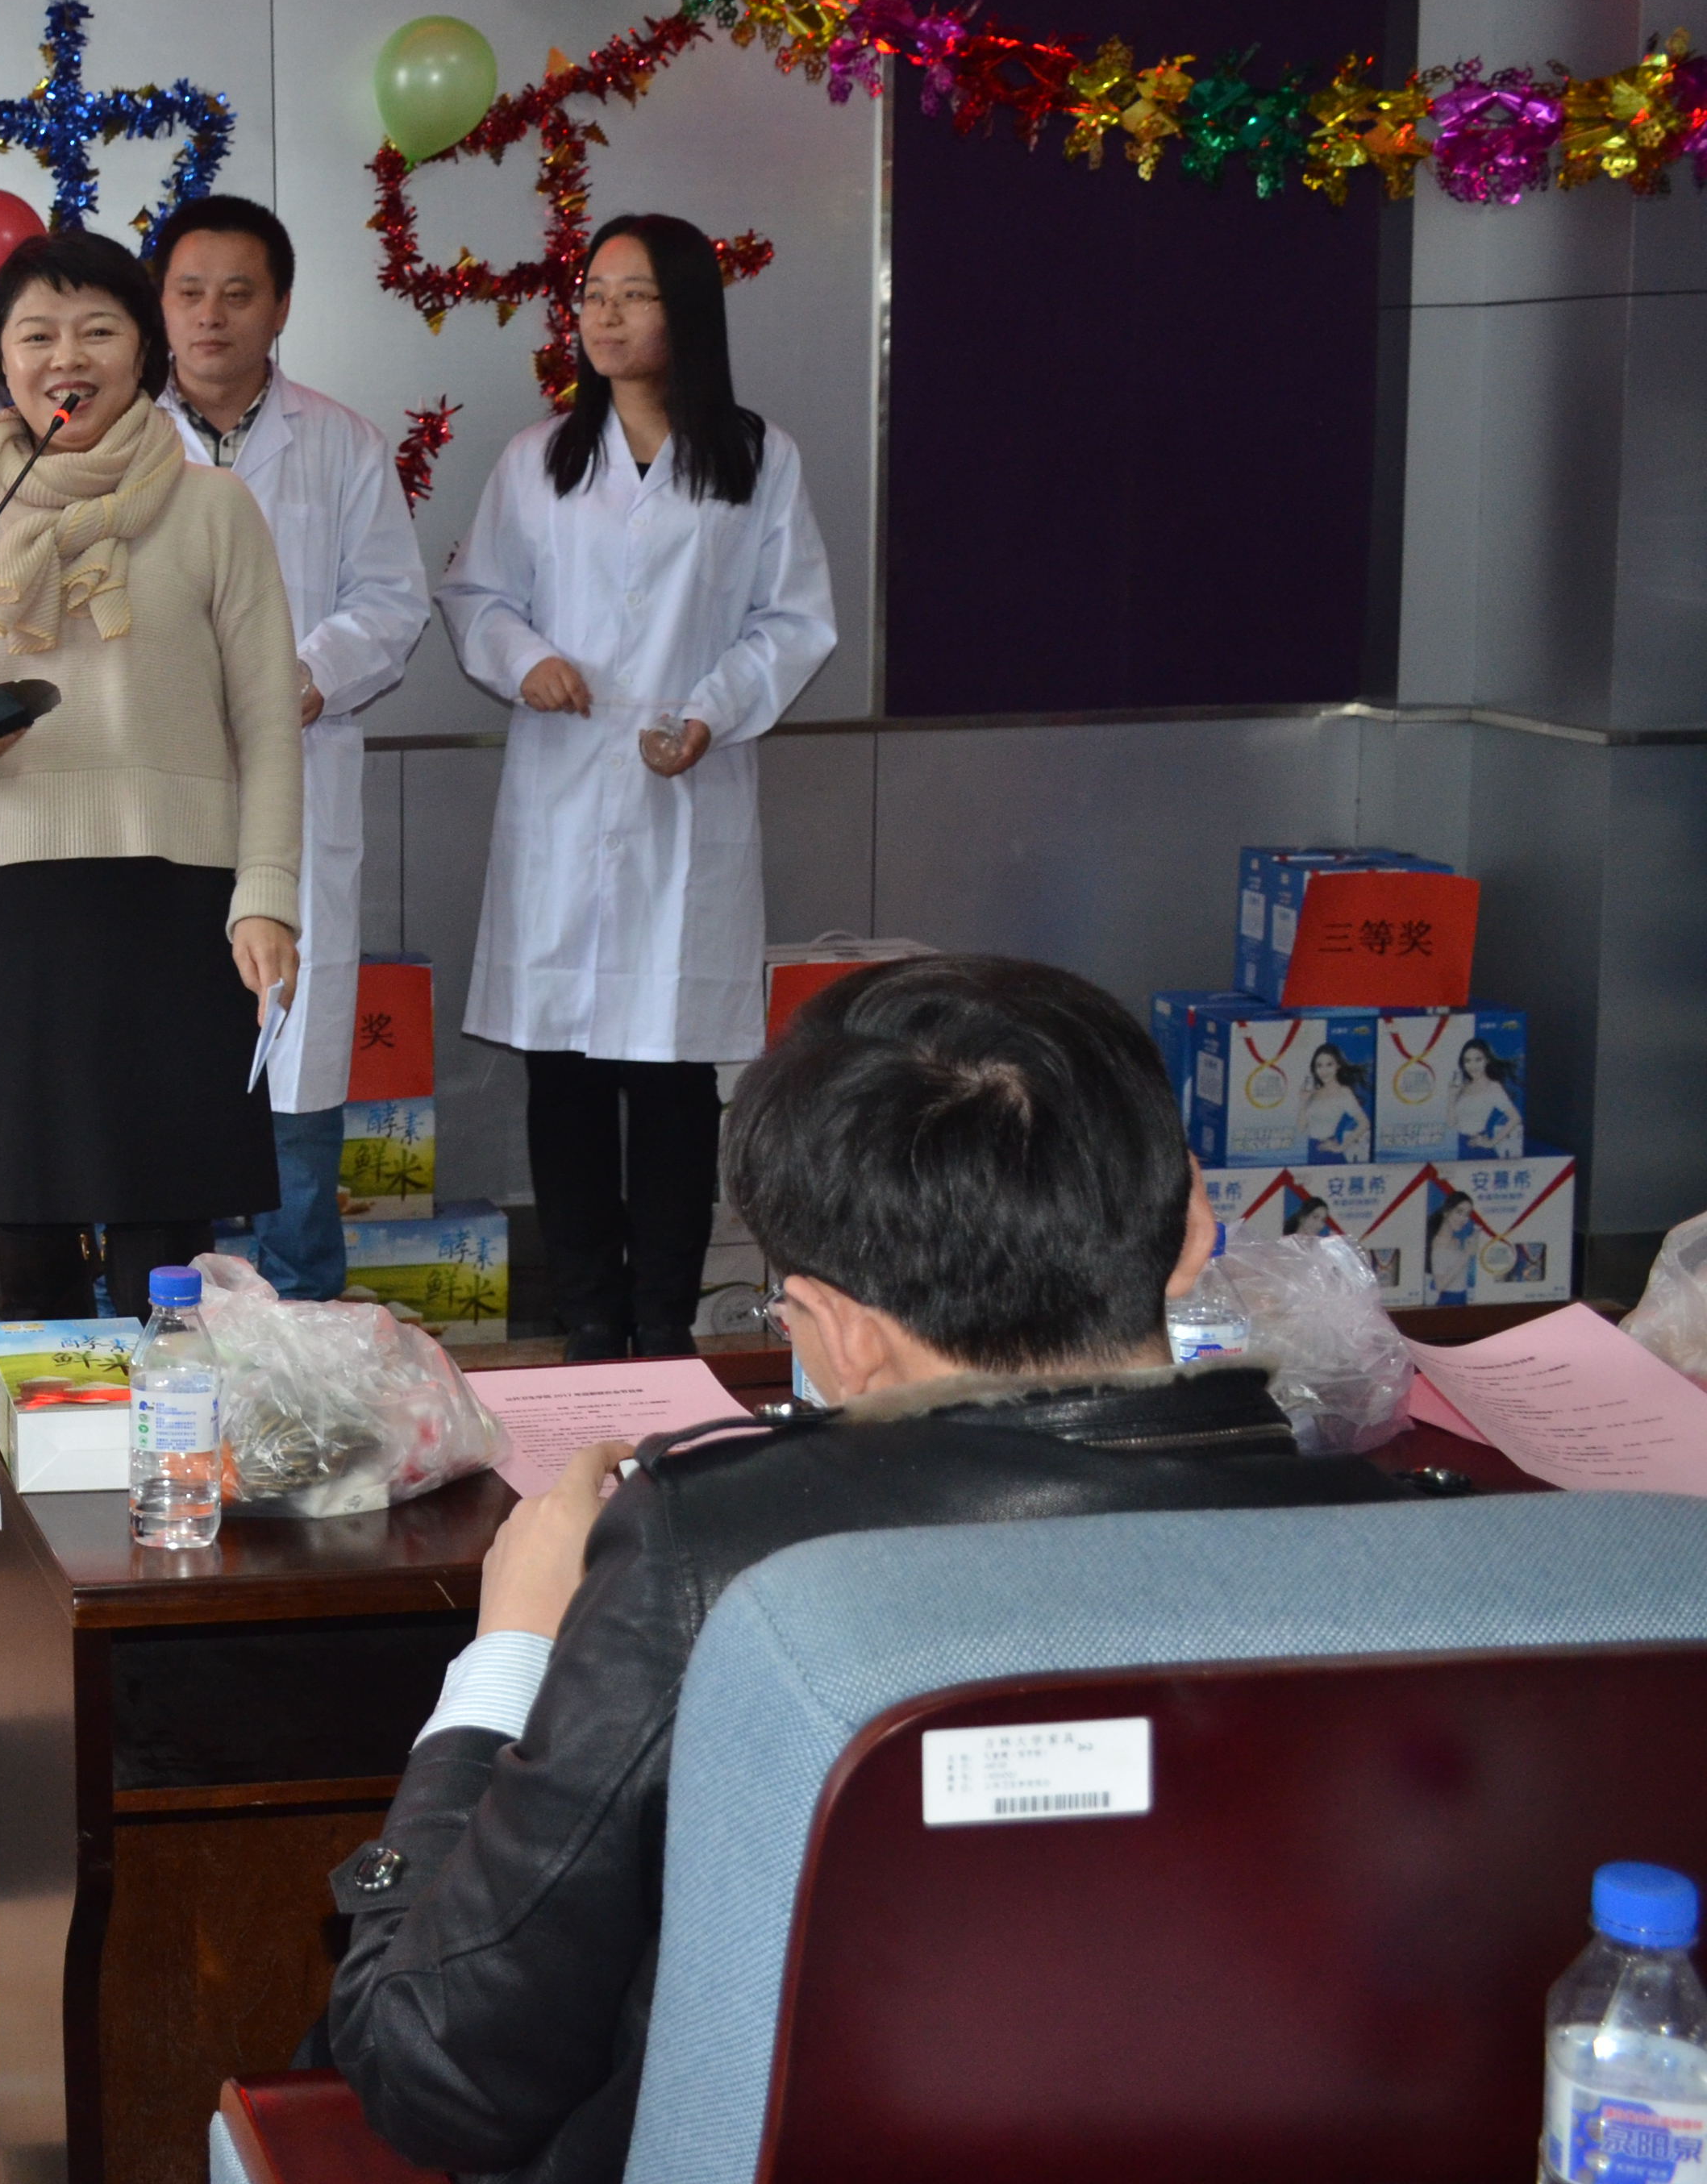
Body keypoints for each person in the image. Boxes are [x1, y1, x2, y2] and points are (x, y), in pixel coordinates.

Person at [323, 954, 1414, 2184]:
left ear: (841, 1333)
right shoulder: (1405, 1551)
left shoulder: (708, 1563)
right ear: (1194, 1229)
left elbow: (435, 2072)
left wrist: (512, 1654)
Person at [0, 225, 303, 1326]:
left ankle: (169, 1433)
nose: (66, 357)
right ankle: (42, 1437)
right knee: (28, 1240)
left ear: (144, 348)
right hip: (16, 901)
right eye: (36, 335)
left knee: (166, 1240)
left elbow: (266, 722)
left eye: (97, 330)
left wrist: (266, 896)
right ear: (0, 362)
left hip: (179, 899)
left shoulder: (214, 507)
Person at [436, 212, 837, 1363]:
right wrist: (527, 661)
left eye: (633, 294)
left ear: (688, 311)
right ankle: (586, 1319)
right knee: (561, 1075)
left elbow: (793, 620)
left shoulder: (756, 458)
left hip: (686, 801)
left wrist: (707, 711)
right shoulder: (540, 459)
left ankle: (661, 1324)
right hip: (560, 797)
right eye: (592, 295)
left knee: (669, 1080)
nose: (604, 316)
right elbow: (476, 599)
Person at [148, 195, 431, 1300]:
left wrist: (298, 680)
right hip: (161, 794)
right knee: (168, 1066)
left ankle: (302, 1320)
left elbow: (392, 602)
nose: (210, 315)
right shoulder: (119, 442)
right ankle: (166, 1318)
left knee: (295, 1074)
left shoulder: (341, 442)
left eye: (237, 293)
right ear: (159, 306)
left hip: (299, 779)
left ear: (280, 308)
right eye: (188, 291)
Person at [1300, 1039, 1370, 1164]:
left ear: (1338, 1065)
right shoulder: (1314, 1092)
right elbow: (1301, 1128)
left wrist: (1341, 1147)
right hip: (1308, 1151)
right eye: (1319, 1066)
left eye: (1329, 1065)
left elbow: (1364, 1123)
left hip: (1329, 1150)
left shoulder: (1344, 1092)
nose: (1324, 1071)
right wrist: (1303, 1102)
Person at [1454, 1038, 1526, 1158]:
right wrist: (1452, 1097)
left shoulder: (1493, 1087)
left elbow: (1515, 1118)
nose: (1473, 1066)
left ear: (1487, 1060)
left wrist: (1491, 1143)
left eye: (1478, 1060)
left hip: (1479, 1147)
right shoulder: (1465, 1085)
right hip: (1460, 1145)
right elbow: (1453, 1122)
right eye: (1468, 1061)